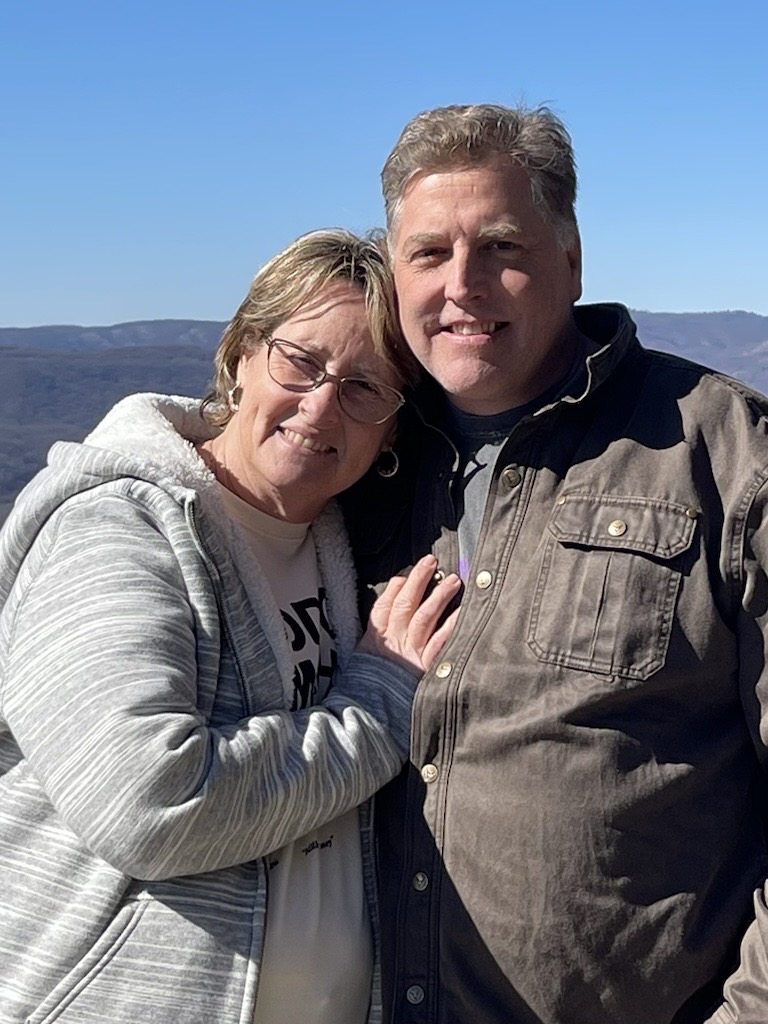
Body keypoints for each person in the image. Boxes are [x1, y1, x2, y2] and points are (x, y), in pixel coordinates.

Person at [340, 104, 768, 1024]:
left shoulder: (724, 455)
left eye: (501, 247)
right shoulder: (359, 456)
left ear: (571, 259)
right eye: (428, 253)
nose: (463, 285)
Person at [0, 228, 460, 1024]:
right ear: (242, 354)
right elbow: (149, 807)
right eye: (300, 361)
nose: (321, 405)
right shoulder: (118, 528)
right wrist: (382, 703)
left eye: (365, 387)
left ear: (391, 427)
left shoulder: (338, 549)